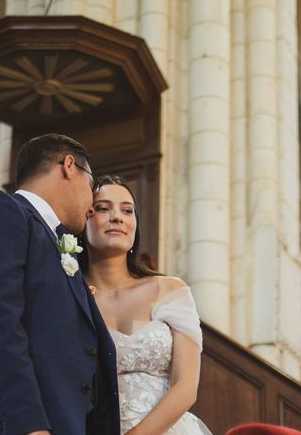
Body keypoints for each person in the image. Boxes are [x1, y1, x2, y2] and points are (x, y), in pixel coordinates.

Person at [0, 134, 120, 435]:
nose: (92, 208)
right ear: (69, 167)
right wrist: (28, 425)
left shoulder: (63, 251)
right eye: (92, 187)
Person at [80, 175, 212, 435]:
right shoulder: (72, 296)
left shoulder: (170, 289)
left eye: (127, 210)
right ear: (84, 218)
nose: (117, 217)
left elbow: (185, 385)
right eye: (104, 208)